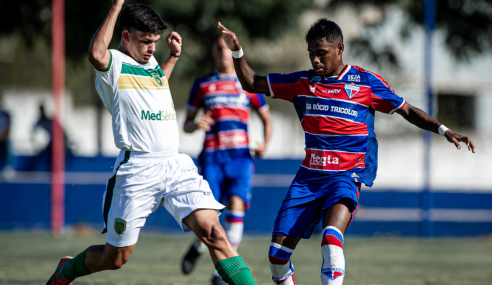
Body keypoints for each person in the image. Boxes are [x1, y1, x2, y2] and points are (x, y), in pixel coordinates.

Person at [218, 19, 475, 285]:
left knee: (331, 238)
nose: (316, 60)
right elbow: (251, 83)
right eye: (312, 54)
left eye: (322, 53)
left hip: (345, 176)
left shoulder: (366, 83)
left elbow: (407, 110)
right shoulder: (302, 82)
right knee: (276, 257)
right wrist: (237, 51)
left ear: (339, 49)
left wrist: (445, 130)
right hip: (308, 178)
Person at [46, 2, 257, 285]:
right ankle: (67, 270)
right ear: (126, 36)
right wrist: (116, 5)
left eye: (155, 42)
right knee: (115, 258)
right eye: (145, 41)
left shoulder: (152, 62)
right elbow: (96, 54)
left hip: (175, 164)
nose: (151, 48)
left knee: (216, 234)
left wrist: (172, 58)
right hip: (137, 170)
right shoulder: (114, 64)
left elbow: (156, 86)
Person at [180, 34, 272, 285]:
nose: (223, 52)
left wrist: (264, 143)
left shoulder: (248, 84)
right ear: (213, 51)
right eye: (219, 48)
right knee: (209, 217)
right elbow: (186, 123)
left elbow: (267, 119)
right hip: (212, 158)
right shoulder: (202, 85)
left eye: (226, 48)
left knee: (236, 207)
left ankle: (218, 273)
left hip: (241, 159)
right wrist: (194, 123)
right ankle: (197, 248)